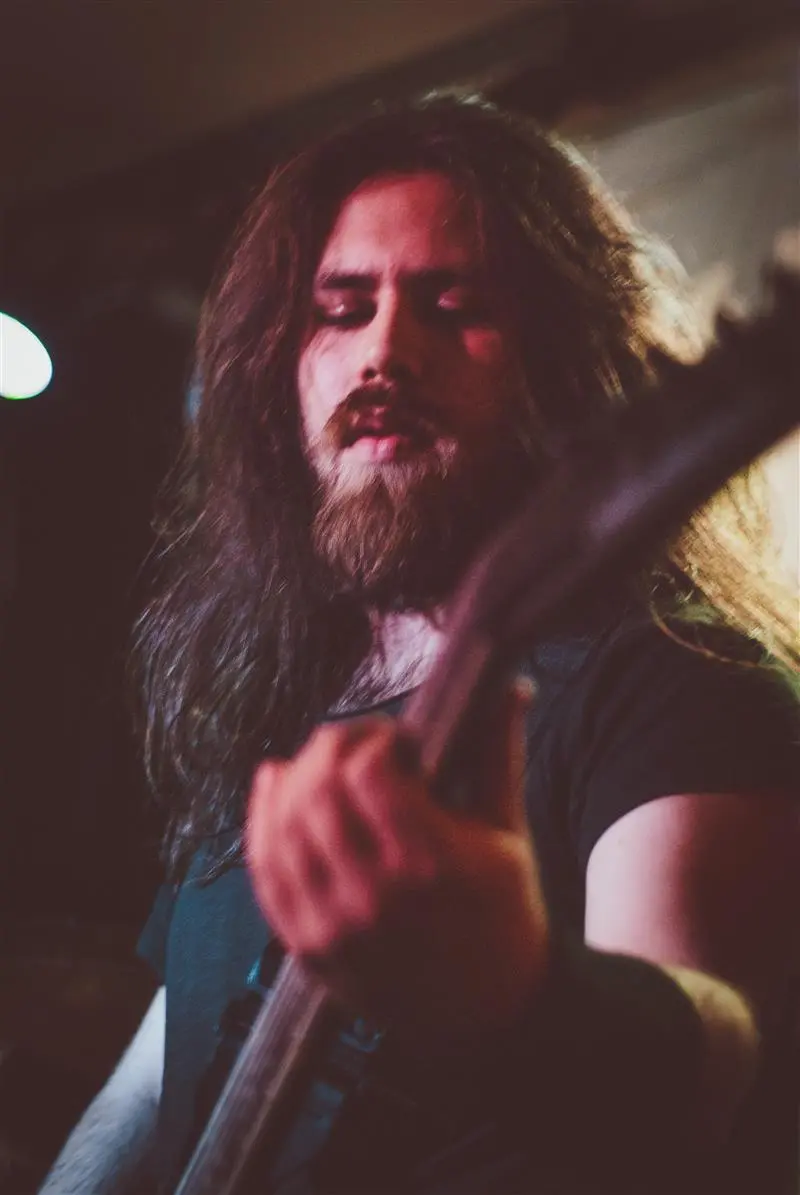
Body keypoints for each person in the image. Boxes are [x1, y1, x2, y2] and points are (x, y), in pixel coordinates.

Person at [40, 92, 798, 1195]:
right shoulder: (278, 698)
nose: (384, 350)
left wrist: (515, 993)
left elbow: (693, 1113)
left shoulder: (680, 688)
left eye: (454, 306)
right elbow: (159, 1082)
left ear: (558, 361)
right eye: (340, 310)